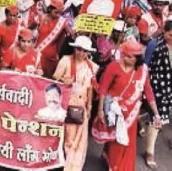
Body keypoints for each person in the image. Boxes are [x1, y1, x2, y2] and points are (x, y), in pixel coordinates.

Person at [93, 41, 161, 171]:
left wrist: (156, 113)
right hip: (114, 110)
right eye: (125, 55)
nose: (125, 58)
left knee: (124, 141)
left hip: (131, 113)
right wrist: (100, 110)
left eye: (130, 57)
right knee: (115, 140)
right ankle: (111, 162)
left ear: (137, 59)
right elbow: (103, 89)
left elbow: (148, 92)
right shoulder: (113, 67)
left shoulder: (143, 71)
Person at [53, 35, 98, 171]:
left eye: (85, 51)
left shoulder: (91, 66)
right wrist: (63, 80)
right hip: (67, 102)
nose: (81, 53)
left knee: (80, 139)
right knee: (68, 137)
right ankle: (65, 162)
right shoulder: (65, 61)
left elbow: (90, 88)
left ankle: (74, 166)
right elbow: (55, 78)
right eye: (79, 49)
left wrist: (89, 106)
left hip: (82, 104)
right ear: (74, 49)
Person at [144, 21, 172, 169]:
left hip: (169, 87)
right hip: (155, 86)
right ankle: (150, 152)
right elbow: (145, 67)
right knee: (155, 118)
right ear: (164, 32)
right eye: (170, 35)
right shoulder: (153, 45)